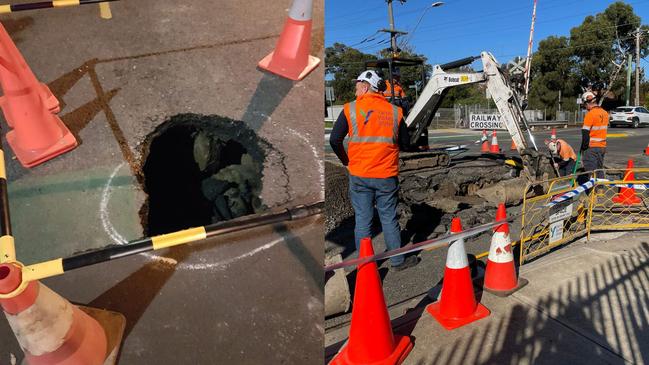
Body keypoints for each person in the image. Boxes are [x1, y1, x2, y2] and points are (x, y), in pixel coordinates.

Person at [329, 70, 419, 271]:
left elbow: (335, 140)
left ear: (366, 86)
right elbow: (406, 144)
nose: (355, 88)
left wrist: (346, 161)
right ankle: (397, 261)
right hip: (386, 174)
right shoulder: (395, 112)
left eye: (358, 84)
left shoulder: (351, 109)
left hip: (360, 173)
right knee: (388, 217)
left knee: (363, 219)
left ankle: (364, 265)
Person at [580, 91, 608, 180]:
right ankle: (600, 191)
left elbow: (585, 132)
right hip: (602, 147)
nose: (585, 107)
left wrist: (584, 147)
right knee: (599, 170)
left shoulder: (590, 114)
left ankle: (593, 191)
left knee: (591, 171)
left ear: (587, 103)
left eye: (585, 105)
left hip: (591, 148)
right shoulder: (605, 113)